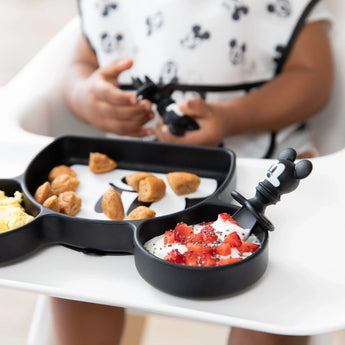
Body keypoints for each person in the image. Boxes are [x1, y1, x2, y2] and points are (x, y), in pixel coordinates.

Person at [52, 0, 334, 344]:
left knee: (278, 300)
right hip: (134, 168)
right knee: (74, 279)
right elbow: (80, 63)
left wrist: (231, 117)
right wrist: (84, 94)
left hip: (261, 163)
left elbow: (313, 78)